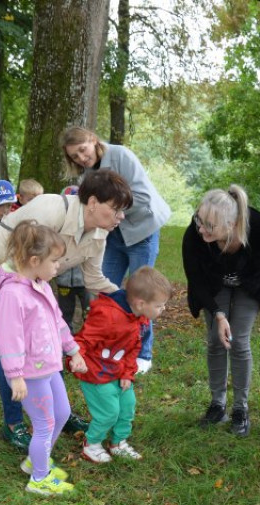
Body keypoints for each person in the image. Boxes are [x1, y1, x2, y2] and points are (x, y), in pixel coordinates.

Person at [0, 168, 131, 452]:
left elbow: (94, 279)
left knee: (48, 341)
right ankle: (13, 423)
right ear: (93, 202)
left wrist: (127, 300)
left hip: (35, 283)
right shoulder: (51, 208)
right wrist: (25, 301)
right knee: (12, 346)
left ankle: (59, 413)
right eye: (116, 210)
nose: (120, 218)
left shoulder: (99, 236)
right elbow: (15, 253)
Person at [182, 185, 260, 437]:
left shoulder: (256, 230)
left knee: (239, 341)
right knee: (215, 340)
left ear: (232, 224)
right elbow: (196, 280)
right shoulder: (195, 235)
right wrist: (218, 315)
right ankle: (218, 405)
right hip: (214, 285)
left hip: (250, 284)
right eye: (200, 221)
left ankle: (240, 409)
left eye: (209, 226)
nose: (201, 229)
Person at [60, 126, 171, 373]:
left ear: (92, 139)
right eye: (74, 157)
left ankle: (143, 353)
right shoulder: (85, 175)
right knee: (105, 287)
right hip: (113, 235)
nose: (81, 158)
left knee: (141, 289)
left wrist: (111, 211)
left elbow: (142, 198)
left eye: (82, 150)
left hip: (142, 230)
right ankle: (109, 342)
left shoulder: (121, 155)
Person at [0, 220, 87, 496]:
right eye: (54, 261)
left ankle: (36, 460)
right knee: (44, 423)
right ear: (35, 260)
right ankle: (39, 478)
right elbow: (9, 339)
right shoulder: (11, 295)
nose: (58, 266)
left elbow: (57, 321)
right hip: (29, 373)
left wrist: (73, 350)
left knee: (62, 413)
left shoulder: (41, 284)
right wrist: (15, 376)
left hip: (48, 367)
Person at [74, 266, 172, 463]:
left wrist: (128, 373)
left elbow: (133, 348)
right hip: (95, 374)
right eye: (160, 305)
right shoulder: (107, 315)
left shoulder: (139, 317)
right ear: (141, 303)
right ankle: (91, 444)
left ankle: (118, 443)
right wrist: (75, 357)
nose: (163, 309)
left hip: (118, 373)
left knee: (127, 408)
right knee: (109, 413)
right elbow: (84, 339)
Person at [54, 186, 90, 330]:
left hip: (85, 281)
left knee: (89, 312)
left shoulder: (90, 228)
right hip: (64, 281)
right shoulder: (57, 227)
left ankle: (89, 339)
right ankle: (66, 341)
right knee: (65, 313)